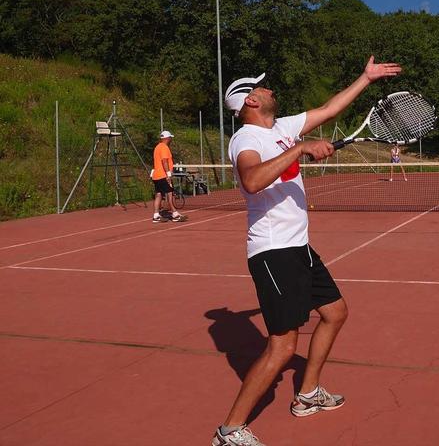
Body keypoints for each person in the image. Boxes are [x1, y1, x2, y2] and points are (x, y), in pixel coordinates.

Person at [212, 55, 401, 446]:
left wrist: (365, 78)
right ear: (250, 101)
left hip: (298, 247)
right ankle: (230, 430)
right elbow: (251, 181)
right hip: (273, 252)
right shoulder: (246, 140)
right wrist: (299, 151)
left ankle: (308, 393)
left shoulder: (282, 127)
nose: (269, 88)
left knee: (335, 312)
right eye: (262, 86)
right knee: (282, 347)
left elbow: (331, 108)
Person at [151, 130, 186, 223]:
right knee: (170, 194)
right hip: (163, 176)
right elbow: (164, 161)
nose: (171, 139)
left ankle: (156, 215)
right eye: (170, 137)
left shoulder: (157, 147)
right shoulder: (164, 147)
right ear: (167, 138)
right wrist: (168, 174)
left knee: (158, 195)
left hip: (156, 176)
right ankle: (175, 214)